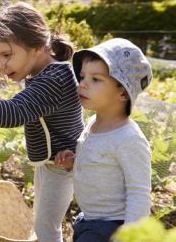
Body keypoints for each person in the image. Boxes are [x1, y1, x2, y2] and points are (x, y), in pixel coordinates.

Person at [0, 2, 84, 242]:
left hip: (61, 166)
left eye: (6, 55)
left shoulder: (56, 78)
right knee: (43, 223)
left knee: (46, 228)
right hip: (52, 163)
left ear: (38, 46)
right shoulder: (45, 74)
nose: (0, 67)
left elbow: (14, 111)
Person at [54, 38, 153, 242]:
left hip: (112, 227)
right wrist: (74, 162)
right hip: (88, 220)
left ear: (122, 92)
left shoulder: (129, 139)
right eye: (82, 76)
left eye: (96, 79)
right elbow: (101, 166)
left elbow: (139, 194)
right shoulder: (91, 123)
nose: (82, 84)